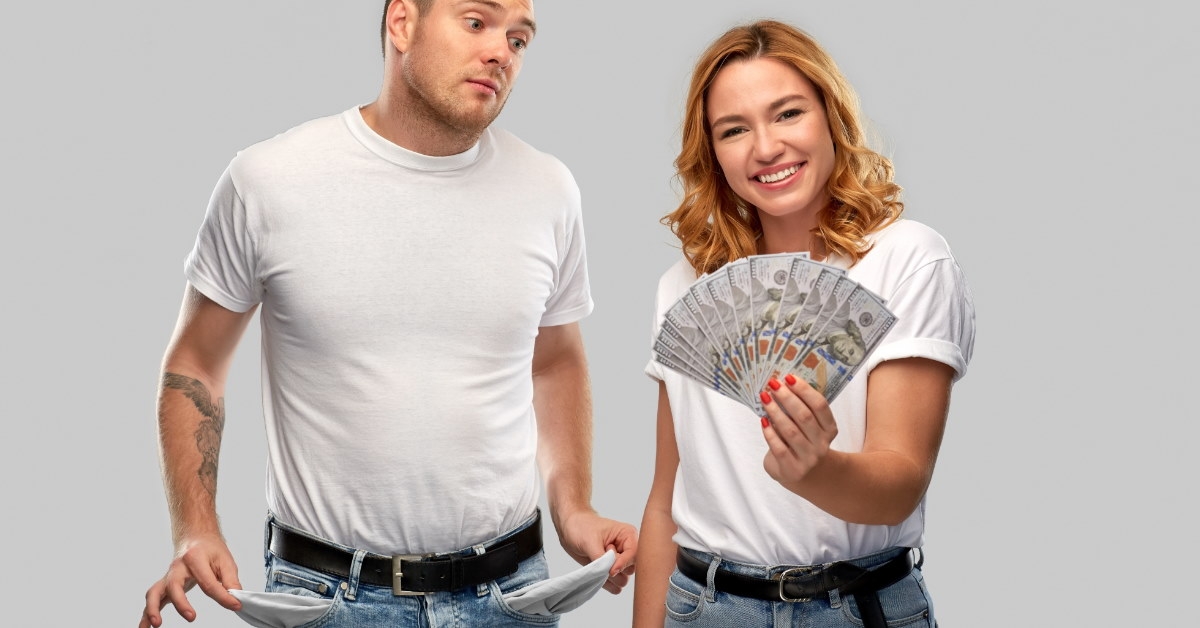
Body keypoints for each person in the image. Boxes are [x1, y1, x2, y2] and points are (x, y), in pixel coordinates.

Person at [138, 1, 637, 627]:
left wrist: (575, 507)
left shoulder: (549, 189)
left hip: (510, 595)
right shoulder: (269, 181)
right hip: (328, 599)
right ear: (401, 23)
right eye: (477, 22)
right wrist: (195, 528)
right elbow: (196, 363)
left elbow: (555, 359)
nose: (501, 52)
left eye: (519, 39)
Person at [633, 20, 975, 628]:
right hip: (702, 607)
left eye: (788, 114)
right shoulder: (686, 287)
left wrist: (819, 469)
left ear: (830, 117)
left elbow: (900, 481)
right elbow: (665, 502)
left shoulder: (907, 260)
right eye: (734, 130)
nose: (765, 148)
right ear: (712, 153)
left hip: (857, 607)